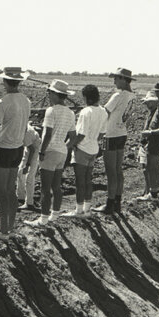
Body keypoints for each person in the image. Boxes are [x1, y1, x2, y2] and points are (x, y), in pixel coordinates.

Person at [0, 66, 32, 239]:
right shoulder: (26, 101)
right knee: (10, 189)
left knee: (1, 192)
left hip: (3, 149)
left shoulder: (2, 103)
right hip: (18, 148)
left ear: (4, 81)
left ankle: (3, 229)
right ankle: (11, 226)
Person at [27, 80, 77, 226]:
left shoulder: (51, 110)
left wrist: (42, 151)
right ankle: (54, 214)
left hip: (50, 151)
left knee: (45, 187)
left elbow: (47, 134)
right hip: (62, 152)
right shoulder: (70, 113)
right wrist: (64, 147)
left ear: (56, 94)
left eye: (50, 92)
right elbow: (73, 137)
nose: (48, 95)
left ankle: (43, 219)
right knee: (56, 186)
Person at [93, 68, 136, 214]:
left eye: (117, 78)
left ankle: (109, 203)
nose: (114, 81)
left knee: (110, 171)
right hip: (122, 134)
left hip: (110, 135)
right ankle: (117, 201)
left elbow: (105, 112)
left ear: (124, 79)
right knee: (118, 170)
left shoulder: (118, 95)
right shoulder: (132, 96)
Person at [63, 84, 107, 217]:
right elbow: (102, 134)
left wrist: (68, 146)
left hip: (82, 150)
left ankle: (78, 210)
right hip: (93, 149)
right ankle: (87, 209)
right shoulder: (103, 111)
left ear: (87, 97)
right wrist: (92, 140)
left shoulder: (85, 112)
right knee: (88, 180)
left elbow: (80, 134)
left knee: (80, 182)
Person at [16, 121, 43, 211]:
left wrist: (28, 165)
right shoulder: (22, 126)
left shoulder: (26, 133)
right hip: (27, 150)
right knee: (20, 172)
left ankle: (29, 203)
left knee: (29, 177)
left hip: (34, 152)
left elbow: (32, 149)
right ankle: (20, 198)